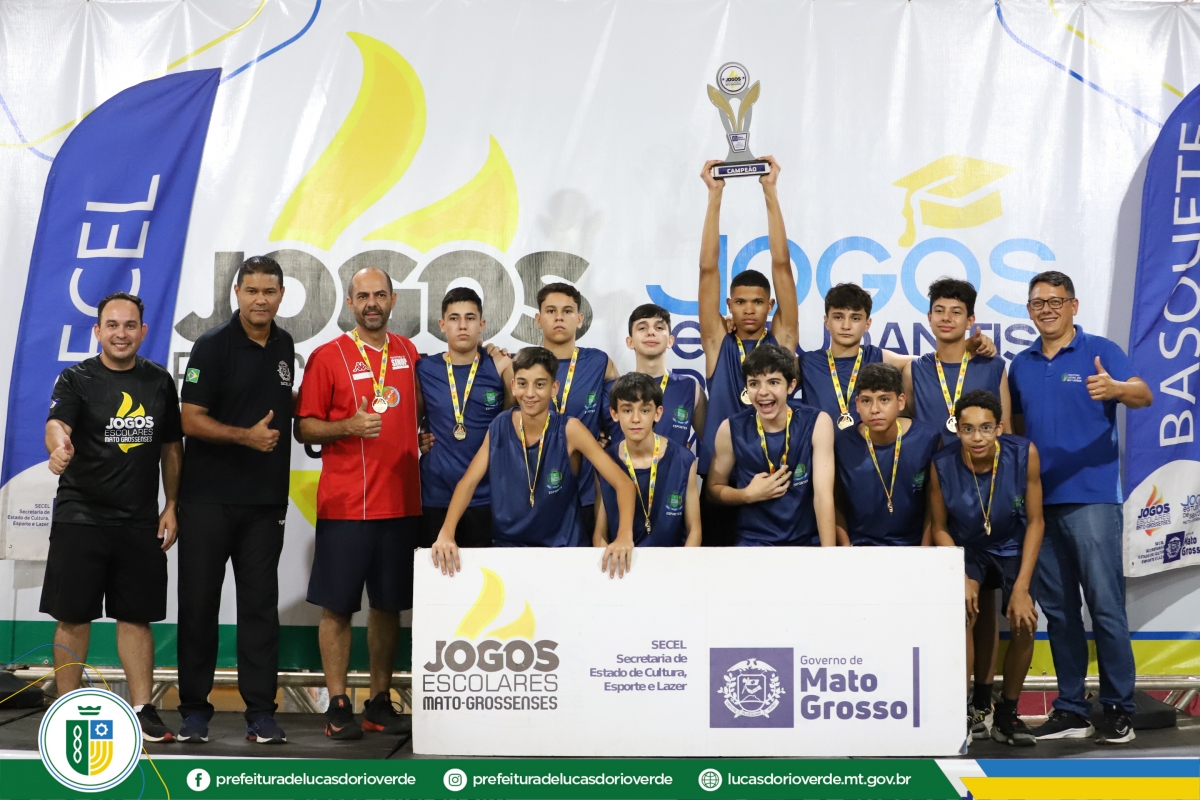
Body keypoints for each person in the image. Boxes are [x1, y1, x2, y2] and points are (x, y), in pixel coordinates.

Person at [1008, 270, 1153, 744]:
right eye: (1038, 303)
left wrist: (1116, 389)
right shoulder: (1021, 364)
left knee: (1106, 607)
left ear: (1073, 305)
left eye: (1056, 301)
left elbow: (1144, 394)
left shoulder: (1100, 351)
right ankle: (1071, 707)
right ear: (1029, 311)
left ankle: (1118, 707)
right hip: (1038, 507)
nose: (1047, 309)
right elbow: (1018, 432)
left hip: (1092, 498)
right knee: (1061, 612)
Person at [41, 292, 181, 742]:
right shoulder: (76, 378)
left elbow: (171, 448)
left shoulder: (159, 381)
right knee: (73, 617)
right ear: (98, 331)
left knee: (136, 618)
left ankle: (143, 710)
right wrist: (58, 447)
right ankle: (66, 709)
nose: (121, 333)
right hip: (80, 517)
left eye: (130, 325)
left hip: (139, 522)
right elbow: (57, 425)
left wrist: (171, 505)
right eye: (113, 325)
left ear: (143, 331)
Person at [295, 267, 422, 740]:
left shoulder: (408, 352)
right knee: (337, 608)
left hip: (403, 504)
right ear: (350, 303)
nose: (372, 303)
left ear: (393, 300)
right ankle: (338, 704)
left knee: (388, 608)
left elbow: (417, 414)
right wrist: (348, 426)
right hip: (347, 505)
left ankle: (378, 702)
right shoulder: (328, 356)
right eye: (363, 296)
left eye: (380, 295)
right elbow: (304, 427)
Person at [175, 256, 294, 745]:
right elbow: (189, 419)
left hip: (265, 504)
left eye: (269, 291)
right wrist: (245, 437)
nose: (260, 299)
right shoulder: (212, 345)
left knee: (261, 610)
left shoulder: (286, 345)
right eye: (251, 290)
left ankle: (261, 713)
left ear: (281, 295)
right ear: (237, 293)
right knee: (199, 607)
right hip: (207, 500)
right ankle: (194, 712)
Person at [431, 347, 637, 576]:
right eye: (522, 383)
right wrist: (446, 533)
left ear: (554, 388)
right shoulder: (500, 425)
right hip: (509, 551)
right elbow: (468, 483)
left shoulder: (570, 429)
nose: (530, 393)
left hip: (563, 551)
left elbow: (623, 484)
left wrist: (624, 536)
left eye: (539, 384)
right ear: (513, 386)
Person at [929, 390, 1044, 747]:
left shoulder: (1024, 454)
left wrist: (1021, 588)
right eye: (967, 429)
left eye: (985, 428)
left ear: (999, 428)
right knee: (963, 612)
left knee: (1025, 621)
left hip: (1011, 545)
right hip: (968, 549)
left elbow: (1036, 522)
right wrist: (959, 575)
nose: (977, 437)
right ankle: (964, 709)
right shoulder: (942, 464)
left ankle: (1007, 713)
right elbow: (939, 527)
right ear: (957, 430)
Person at [697, 156, 800, 545]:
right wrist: (715, 195)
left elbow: (782, 265)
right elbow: (708, 270)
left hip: (775, 471)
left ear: (770, 305)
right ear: (729, 305)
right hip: (721, 479)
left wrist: (769, 190)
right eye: (740, 302)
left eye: (758, 302)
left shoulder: (782, 339)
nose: (749, 309)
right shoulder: (717, 341)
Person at [802, 281, 995, 429]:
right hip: (817, 458)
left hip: (865, 458)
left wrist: (967, 346)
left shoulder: (878, 358)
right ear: (826, 321)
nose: (846, 326)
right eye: (838, 317)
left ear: (867, 324)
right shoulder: (806, 362)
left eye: (855, 318)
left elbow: (933, 361)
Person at [706, 344, 835, 547]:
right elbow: (713, 490)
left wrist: (829, 556)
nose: (763, 392)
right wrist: (747, 495)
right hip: (753, 543)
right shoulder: (730, 428)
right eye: (754, 383)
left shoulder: (817, 422)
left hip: (806, 542)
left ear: (791, 386)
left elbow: (823, 497)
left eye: (773, 382)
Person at [415, 287, 512, 549]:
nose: (462, 325)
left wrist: (508, 367)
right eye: (454, 318)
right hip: (436, 497)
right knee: (436, 573)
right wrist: (419, 438)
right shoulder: (424, 369)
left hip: (487, 497)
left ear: (482, 324)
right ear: (442, 325)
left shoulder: (499, 366)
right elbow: (410, 420)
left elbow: (516, 419)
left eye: (470, 318)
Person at [535, 282, 619, 537]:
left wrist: (606, 440)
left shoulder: (600, 362)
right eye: (551, 311)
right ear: (538, 320)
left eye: (567, 311)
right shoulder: (522, 365)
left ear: (580, 319)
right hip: (536, 491)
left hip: (586, 493)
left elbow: (617, 419)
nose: (559, 317)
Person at [834, 363, 941, 547]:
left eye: (884, 399)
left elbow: (933, 505)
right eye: (866, 401)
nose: (875, 409)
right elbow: (835, 503)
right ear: (857, 404)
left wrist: (924, 552)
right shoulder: (842, 443)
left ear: (901, 402)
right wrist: (846, 548)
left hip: (912, 547)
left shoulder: (927, 439)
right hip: (860, 546)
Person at [594, 373, 701, 548]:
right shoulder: (606, 462)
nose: (636, 419)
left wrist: (683, 563)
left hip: (672, 560)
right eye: (627, 410)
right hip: (623, 561)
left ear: (658, 413)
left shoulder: (684, 460)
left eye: (644, 410)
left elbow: (694, 530)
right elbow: (600, 534)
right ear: (614, 413)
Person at [903, 278, 1011, 445]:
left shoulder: (993, 366)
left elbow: (1006, 429)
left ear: (970, 321)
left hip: (984, 461)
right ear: (930, 317)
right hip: (931, 461)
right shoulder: (913, 370)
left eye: (956, 312)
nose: (946, 318)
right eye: (939, 311)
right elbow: (907, 428)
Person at [612, 304, 705, 449]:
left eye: (659, 327)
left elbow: (713, 445)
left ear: (670, 341)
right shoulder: (613, 390)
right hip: (623, 465)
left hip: (675, 465)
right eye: (642, 328)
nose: (651, 332)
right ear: (630, 342)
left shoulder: (691, 388)